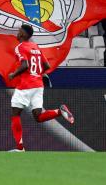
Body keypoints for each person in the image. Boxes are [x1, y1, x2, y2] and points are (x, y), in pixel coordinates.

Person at [8, 24, 74, 152]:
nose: (17, 33)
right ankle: (60, 111)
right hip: (38, 85)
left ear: (23, 34)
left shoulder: (20, 47)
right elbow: (47, 65)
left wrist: (13, 74)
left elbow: (25, 65)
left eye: (19, 31)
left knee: (15, 114)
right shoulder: (36, 47)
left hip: (25, 86)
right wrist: (36, 73)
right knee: (38, 117)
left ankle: (20, 148)